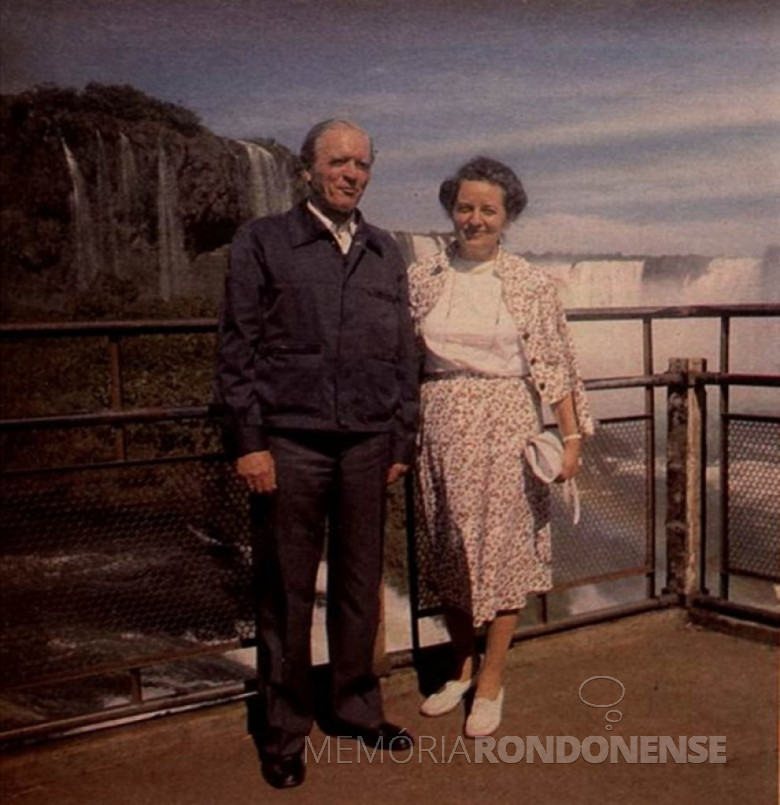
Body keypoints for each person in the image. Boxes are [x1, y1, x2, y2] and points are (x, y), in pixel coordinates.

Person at [214, 119, 418, 789]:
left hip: (366, 444)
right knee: (287, 593)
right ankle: (284, 731)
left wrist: (399, 436)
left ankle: (357, 707)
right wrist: (248, 442)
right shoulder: (265, 241)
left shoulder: (387, 252)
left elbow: (403, 358)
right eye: (339, 161)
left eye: (362, 163)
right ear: (308, 169)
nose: (352, 173)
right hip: (289, 442)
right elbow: (236, 348)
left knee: (360, 587)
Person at [408, 156, 594, 738]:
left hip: (507, 424)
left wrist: (569, 439)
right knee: (451, 548)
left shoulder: (529, 283)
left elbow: (557, 365)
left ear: (508, 215)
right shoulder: (424, 278)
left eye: (488, 209)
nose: (475, 218)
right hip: (439, 427)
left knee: (505, 551)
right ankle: (461, 665)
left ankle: (493, 678)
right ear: (450, 210)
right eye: (465, 207)